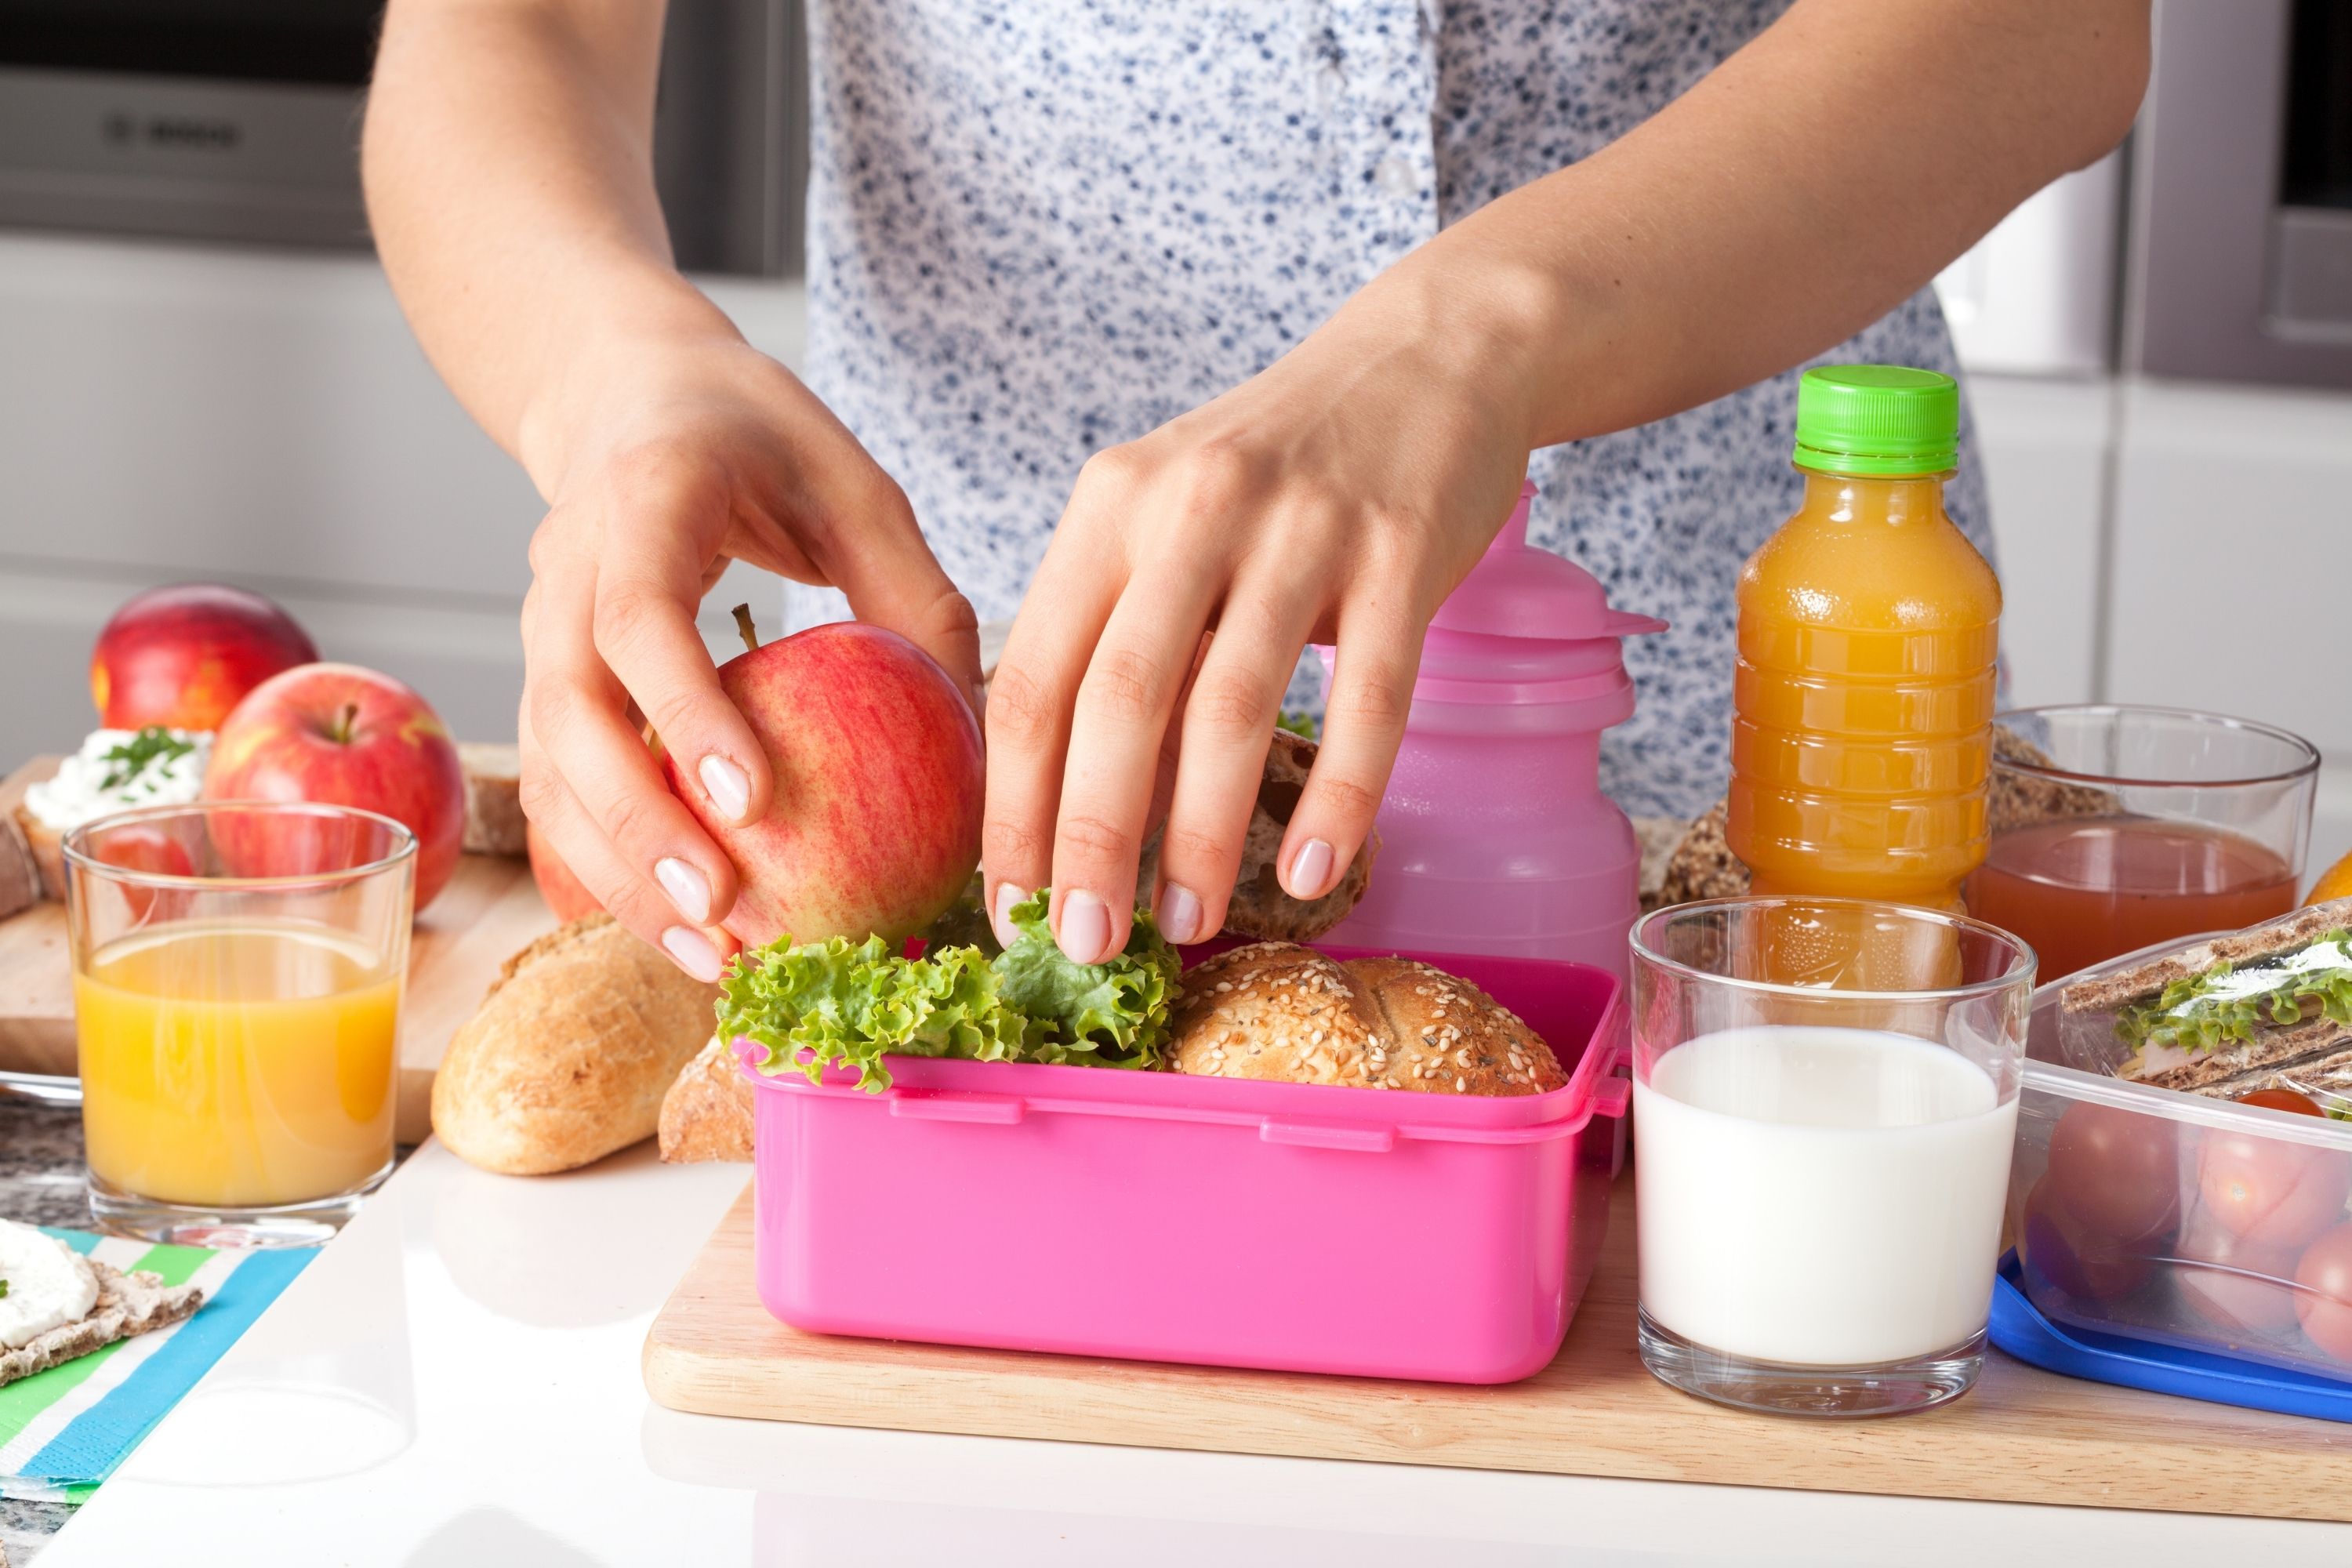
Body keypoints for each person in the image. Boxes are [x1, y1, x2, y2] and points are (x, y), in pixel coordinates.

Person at [364, 0, 2149, 979]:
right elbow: (501, 30)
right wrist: (614, 379)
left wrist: (1473, 340)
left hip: (1766, 781)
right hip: (998, 814)